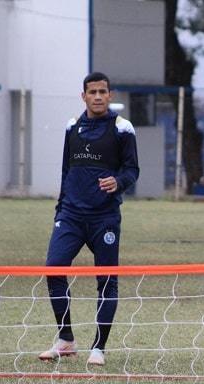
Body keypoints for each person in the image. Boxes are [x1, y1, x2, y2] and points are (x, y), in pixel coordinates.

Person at [39, 72, 140, 366]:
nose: (97, 96)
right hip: (70, 215)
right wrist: (60, 209)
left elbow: (132, 171)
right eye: (92, 91)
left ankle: (99, 347)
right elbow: (65, 171)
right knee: (53, 269)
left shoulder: (123, 129)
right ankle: (66, 338)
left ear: (110, 95)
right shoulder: (72, 127)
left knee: (107, 279)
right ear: (83, 96)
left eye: (103, 91)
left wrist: (118, 182)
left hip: (104, 218)